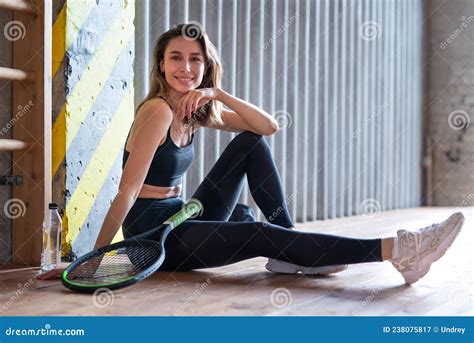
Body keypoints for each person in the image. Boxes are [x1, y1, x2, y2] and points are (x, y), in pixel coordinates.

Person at [37, 24, 464, 285]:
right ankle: (399, 249)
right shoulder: (157, 111)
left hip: (184, 212)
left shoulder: (195, 107)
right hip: (156, 234)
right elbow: (126, 194)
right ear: (161, 65)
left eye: (196, 61)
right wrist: (90, 261)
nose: (186, 68)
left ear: (205, 66)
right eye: (176, 59)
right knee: (255, 232)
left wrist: (218, 92)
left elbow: (267, 128)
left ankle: (293, 253)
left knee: (250, 143)